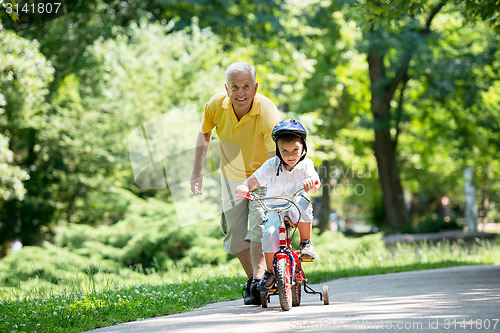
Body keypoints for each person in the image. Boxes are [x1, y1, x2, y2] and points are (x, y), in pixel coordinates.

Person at [190, 62, 281, 305]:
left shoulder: (267, 111)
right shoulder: (215, 105)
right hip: (231, 176)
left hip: (262, 176)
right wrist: (197, 170)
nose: (240, 93)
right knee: (236, 234)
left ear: (255, 87)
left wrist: (275, 187)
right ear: (227, 88)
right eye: (235, 87)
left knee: (258, 230)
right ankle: (257, 283)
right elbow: (205, 133)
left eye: (246, 87)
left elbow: (275, 156)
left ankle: (259, 281)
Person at [235, 119, 320, 292]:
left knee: (304, 202)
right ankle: (270, 272)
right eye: (285, 151)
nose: (290, 155)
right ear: (278, 151)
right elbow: (254, 180)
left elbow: (316, 182)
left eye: (295, 150)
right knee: (269, 235)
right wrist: (245, 186)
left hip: (295, 205)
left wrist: (312, 183)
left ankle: (306, 243)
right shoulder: (272, 165)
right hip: (274, 207)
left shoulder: (306, 164)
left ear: (303, 148)